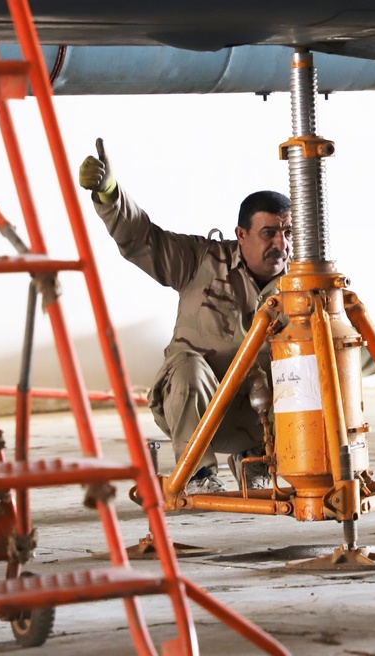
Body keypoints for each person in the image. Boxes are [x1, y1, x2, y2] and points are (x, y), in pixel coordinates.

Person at [79, 138, 291, 493]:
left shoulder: (302, 284)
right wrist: (111, 195)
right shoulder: (201, 260)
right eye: (269, 233)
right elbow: (144, 240)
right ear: (241, 235)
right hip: (197, 409)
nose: (281, 244)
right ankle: (199, 473)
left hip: (259, 414)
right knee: (188, 364)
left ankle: (258, 457)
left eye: (287, 233)